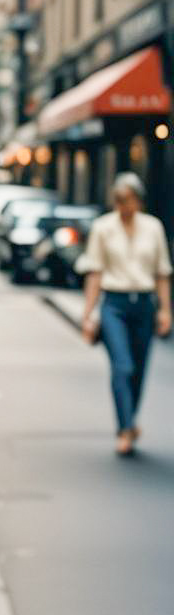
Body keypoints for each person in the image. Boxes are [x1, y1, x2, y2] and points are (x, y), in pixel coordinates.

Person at [80, 172, 172, 455]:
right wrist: (87, 314)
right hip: (114, 305)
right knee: (123, 366)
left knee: (139, 369)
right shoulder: (103, 228)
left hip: (144, 304)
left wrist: (166, 310)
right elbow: (95, 272)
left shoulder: (153, 228)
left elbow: (161, 273)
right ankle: (125, 428)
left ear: (139, 201)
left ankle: (130, 421)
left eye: (129, 201)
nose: (124, 207)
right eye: (119, 201)